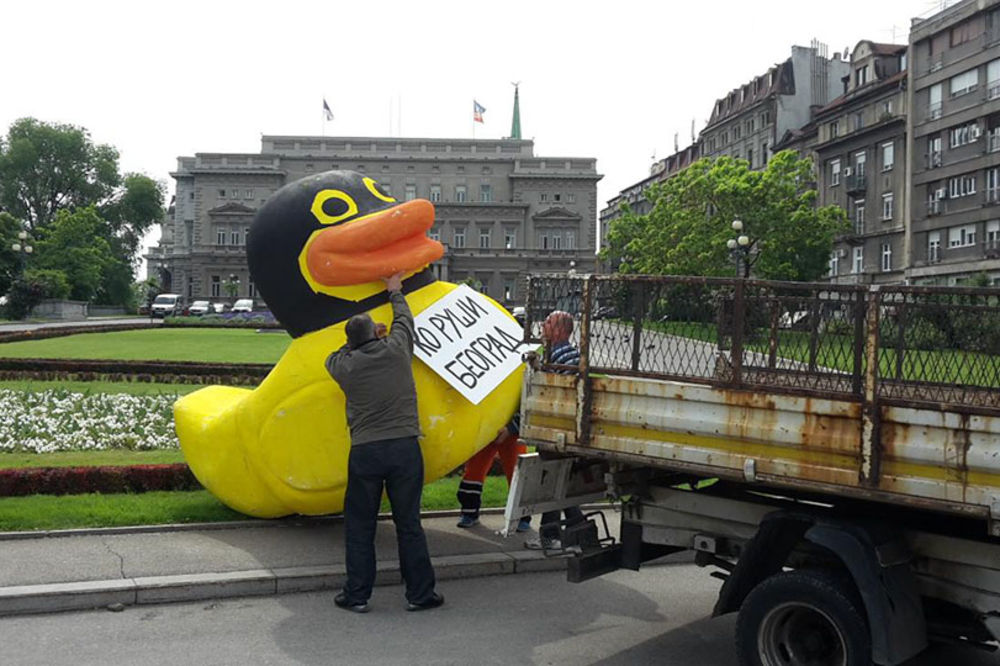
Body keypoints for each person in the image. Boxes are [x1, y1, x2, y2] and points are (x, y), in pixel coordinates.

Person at [325, 271, 444, 613]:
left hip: (366, 451)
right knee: (409, 524)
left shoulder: (345, 366)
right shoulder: (396, 350)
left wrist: (356, 342)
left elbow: (329, 359)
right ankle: (420, 594)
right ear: (377, 334)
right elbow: (405, 319)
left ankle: (357, 594)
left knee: (360, 526)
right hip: (405, 448)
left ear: (351, 341)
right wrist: (394, 291)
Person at [523, 310, 586, 551]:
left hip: (557, 431)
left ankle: (551, 537)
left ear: (559, 331)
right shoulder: (559, 355)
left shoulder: (561, 359)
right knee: (559, 485)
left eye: (548, 323)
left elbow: (555, 396)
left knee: (554, 483)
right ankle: (578, 533)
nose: (542, 326)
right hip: (558, 430)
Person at [455, 419, 532, 531]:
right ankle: (469, 512)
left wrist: (511, 427)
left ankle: (522, 517)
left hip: (512, 433)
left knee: (517, 474)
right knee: (474, 472)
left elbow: (525, 403)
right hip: (484, 429)